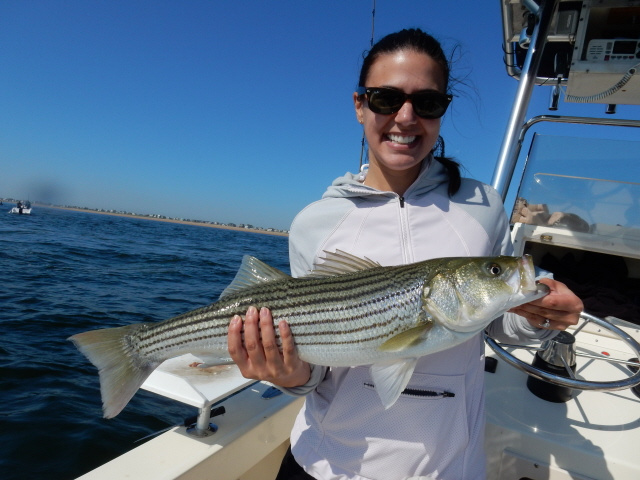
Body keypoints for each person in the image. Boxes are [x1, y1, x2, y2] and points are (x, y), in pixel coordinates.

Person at [227, 28, 583, 480]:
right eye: (386, 99)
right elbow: (315, 369)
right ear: (360, 105)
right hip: (327, 464)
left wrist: (537, 317)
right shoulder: (314, 223)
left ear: (442, 110)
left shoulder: (483, 206)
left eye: (428, 103)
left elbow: (495, 322)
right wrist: (288, 374)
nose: (406, 116)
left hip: (449, 466)